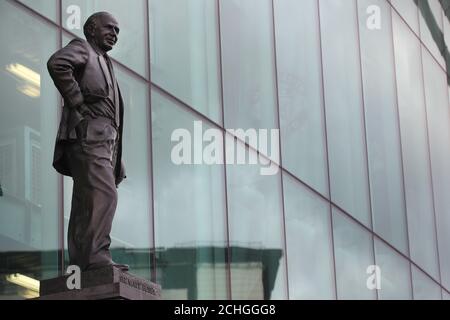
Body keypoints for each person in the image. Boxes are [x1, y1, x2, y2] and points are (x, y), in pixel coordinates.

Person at [47, 12, 128, 272]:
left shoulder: (105, 61)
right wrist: (77, 102)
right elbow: (57, 63)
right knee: (105, 194)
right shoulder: (82, 48)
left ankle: (83, 261)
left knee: (86, 199)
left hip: (105, 141)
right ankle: (95, 256)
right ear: (91, 29)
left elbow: (112, 114)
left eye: (117, 31)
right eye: (109, 28)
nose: (114, 34)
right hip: (88, 135)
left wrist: (117, 156)